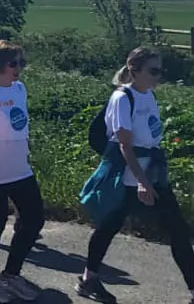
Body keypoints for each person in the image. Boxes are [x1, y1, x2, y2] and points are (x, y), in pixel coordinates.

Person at [78, 47, 194, 304]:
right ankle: (89, 279)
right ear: (134, 69)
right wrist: (142, 182)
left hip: (150, 173)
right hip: (130, 178)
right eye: (153, 70)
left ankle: (193, 288)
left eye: (160, 70)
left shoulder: (148, 94)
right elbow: (124, 146)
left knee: (178, 229)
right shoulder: (122, 98)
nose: (158, 76)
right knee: (108, 227)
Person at [0, 41, 44, 302]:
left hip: (20, 168)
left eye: (21, 63)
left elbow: (22, 125)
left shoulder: (20, 88)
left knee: (34, 220)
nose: (18, 68)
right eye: (13, 63)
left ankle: (11, 274)